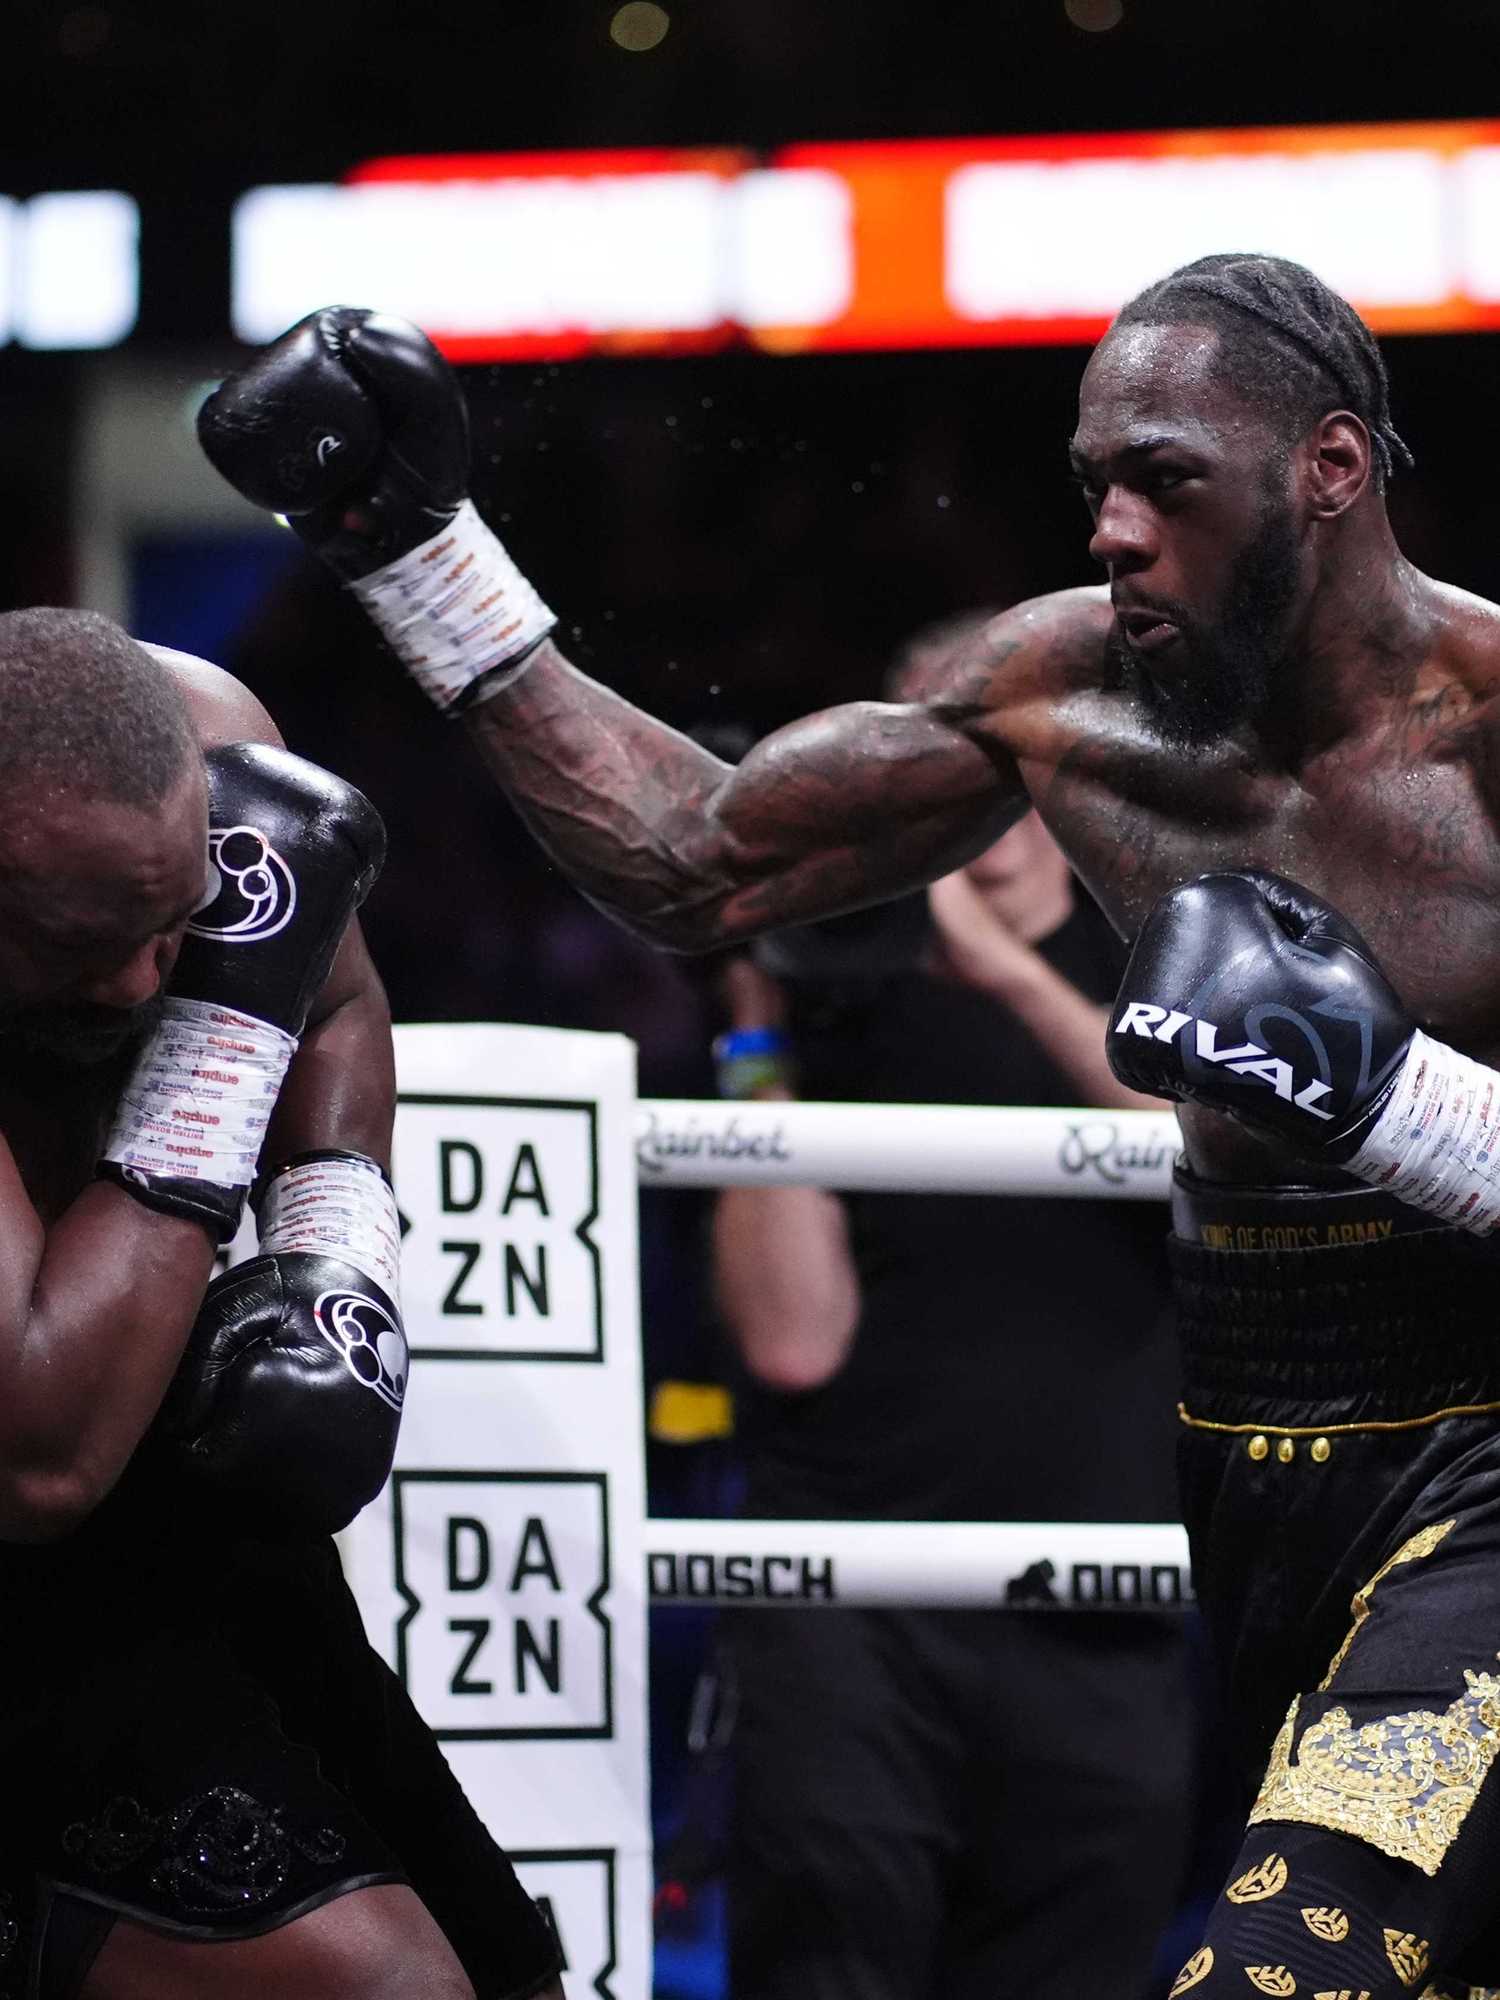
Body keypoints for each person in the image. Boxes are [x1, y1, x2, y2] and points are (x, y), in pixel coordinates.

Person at [200, 253, 1500, 1988]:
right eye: (1094, 483)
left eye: (1165, 481)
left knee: (1296, 1965)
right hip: (1259, 1439)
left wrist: (1399, 1101)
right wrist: (417, 554)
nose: (1113, 532)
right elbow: (699, 860)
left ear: (1330, 468)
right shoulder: (1073, 691)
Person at [0, 608, 561, 2000]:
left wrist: (331, 1250)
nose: (142, 980)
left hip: (165, 1470)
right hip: (24, 1508)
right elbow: (42, 1453)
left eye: (176, 923)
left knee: (504, 1966)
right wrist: (217, 1044)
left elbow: (337, 1003)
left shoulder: (217, 744)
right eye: (80, 941)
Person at [708, 622, 1190, 1999]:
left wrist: (1006, 973)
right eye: (914, 749)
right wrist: (756, 1018)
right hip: (850, 1601)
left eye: (978, 743)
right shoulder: (825, 984)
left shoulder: (1169, 951)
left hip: (1105, 1602)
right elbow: (791, 1338)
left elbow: (1216, 1157)